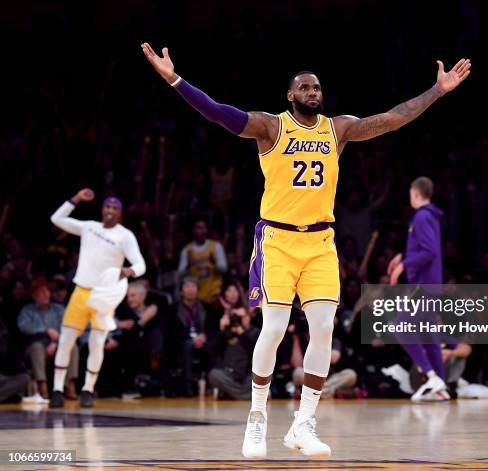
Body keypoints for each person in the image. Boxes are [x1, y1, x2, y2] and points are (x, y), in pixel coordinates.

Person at [142, 41, 470, 459]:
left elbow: (392, 119)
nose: (313, 91)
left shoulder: (339, 129)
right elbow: (218, 113)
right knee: (275, 327)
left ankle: (303, 423)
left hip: (320, 242)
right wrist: (175, 79)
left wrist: (437, 91)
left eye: (317, 87)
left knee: (324, 329)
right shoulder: (271, 127)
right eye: (304, 87)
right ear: (290, 95)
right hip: (278, 240)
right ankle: (257, 419)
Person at [48, 189, 146, 408]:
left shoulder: (125, 235)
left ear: (120, 213)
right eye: (107, 207)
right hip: (81, 291)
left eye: (115, 208)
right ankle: (57, 390)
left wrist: (129, 271)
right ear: (102, 210)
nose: (110, 211)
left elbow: (141, 265)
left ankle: (87, 390)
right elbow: (56, 219)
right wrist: (75, 199)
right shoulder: (89, 227)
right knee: (65, 341)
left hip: (104, 295)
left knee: (97, 343)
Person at [387, 176, 448, 401]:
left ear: (415, 193)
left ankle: (432, 376)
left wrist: (404, 265)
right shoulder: (430, 215)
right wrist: (402, 256)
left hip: (423, 285)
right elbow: (423, 248)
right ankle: (441, 388)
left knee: (400, 327)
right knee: (429, 336)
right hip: (432, 284)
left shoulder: (422, 216)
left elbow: (429, 251)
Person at [17, 281, 78, 399]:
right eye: (41, 292)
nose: (45, 295)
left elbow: (68, 327)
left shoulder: (59, 309)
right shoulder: (27, 311)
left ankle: (70, 385)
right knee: (37, 348)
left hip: (58, 345)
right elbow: (24, 327)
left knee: (72, 346)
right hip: (37, 345)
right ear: (34, 295)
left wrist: (55, 342)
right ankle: (42, 387)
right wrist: (46, 330)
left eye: (47, 291)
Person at [178, 220, 228, 305]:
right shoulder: (187, 250)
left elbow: (224, 269)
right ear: (193, 231)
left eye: (204, 228)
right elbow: (180, 274)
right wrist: (188, 266)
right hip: (195, 298)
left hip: (214, 295)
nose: (202, 231)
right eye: (199, 228)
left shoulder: (215, 246)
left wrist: (215, 263)